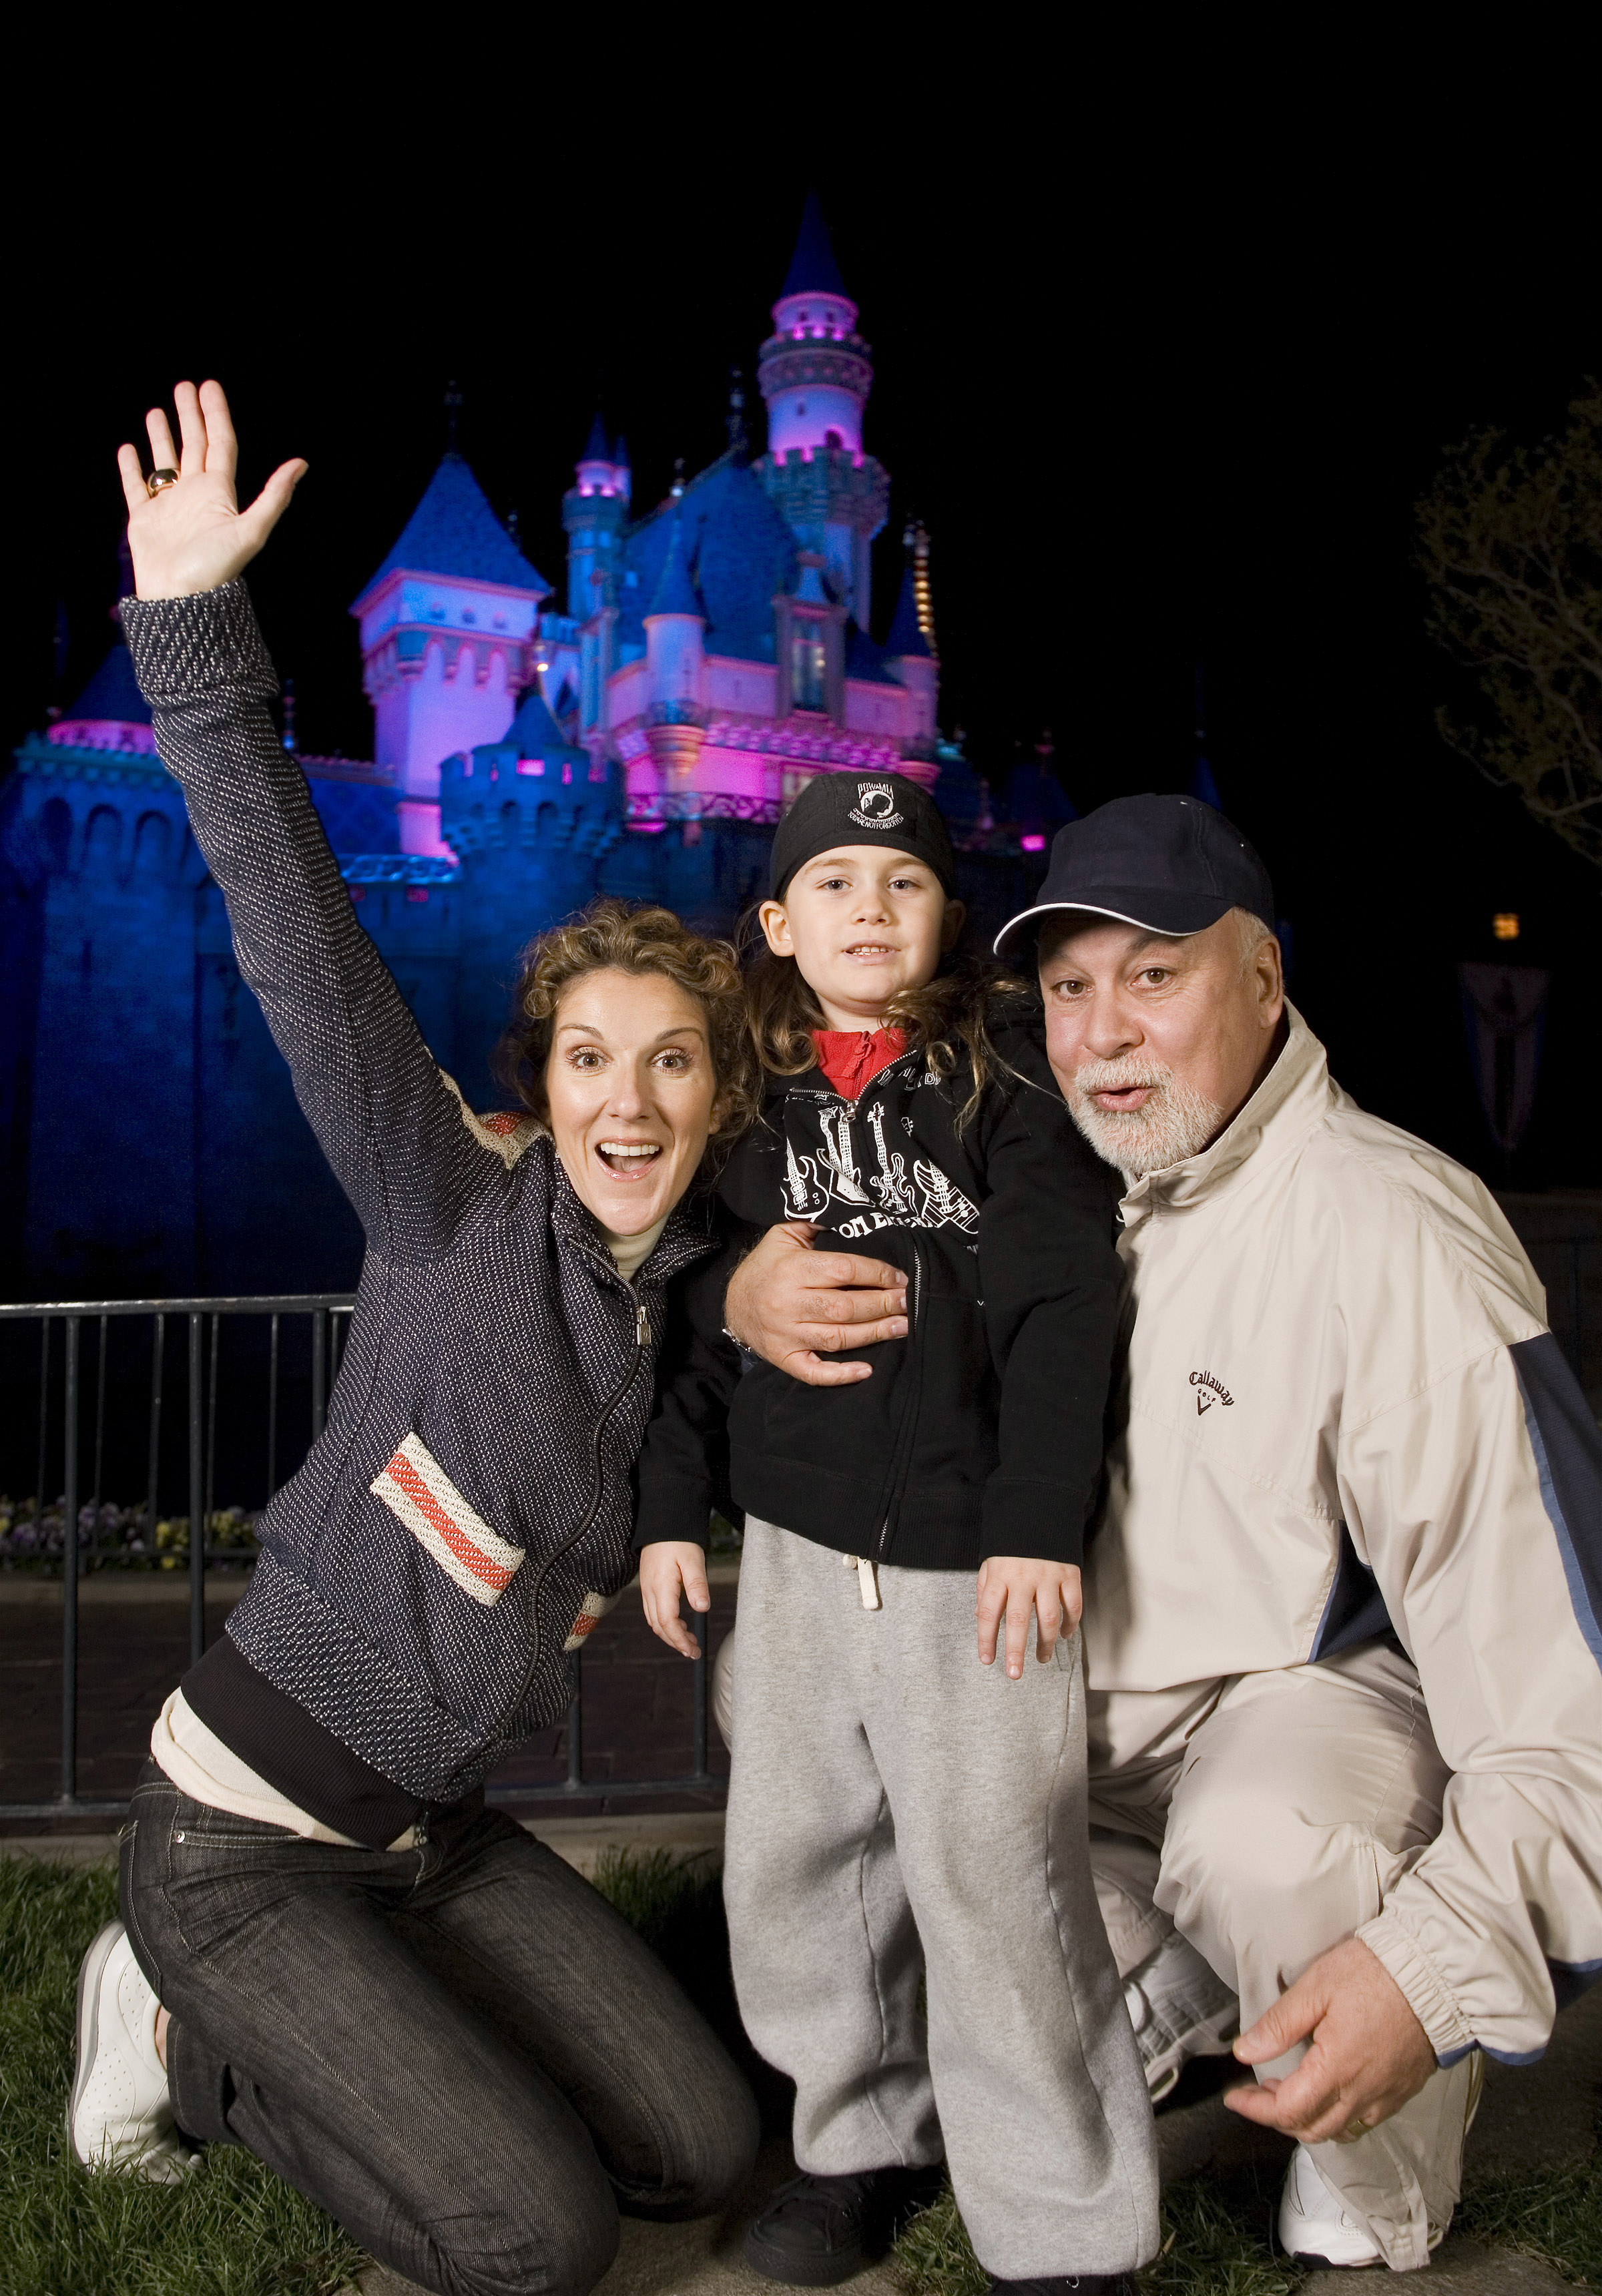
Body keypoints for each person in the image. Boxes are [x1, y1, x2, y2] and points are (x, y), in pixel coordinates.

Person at [66, 382, 760, 2296]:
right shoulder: (456, 1209)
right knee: (530, 2244)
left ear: (720, 1098)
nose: (629, 1102)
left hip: (430, 1830)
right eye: (591, 1060)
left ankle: (395, 2017)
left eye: (675, 1062)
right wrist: (196, 639)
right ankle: (186, 2040)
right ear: (535, 1082)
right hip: (242, 1829)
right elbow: (299, 937)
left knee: (697, 2151)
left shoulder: (692, 1292)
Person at [726, 792, 1602, 2274]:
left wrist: (1428, 1968)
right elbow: (698, 1211)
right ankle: (1181, 1981)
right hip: (1065, 1762)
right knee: (824, 1767)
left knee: (1270, 1845)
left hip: (1285, 1721)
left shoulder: (1394, 1235)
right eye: (1069, 987)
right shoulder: (1008, 1168)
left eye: (1156, 975)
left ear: (1265, 981)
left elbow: (1566, 1702)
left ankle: (1369, 2192)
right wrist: (736, 1301)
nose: (1104, 1033)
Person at [633, 773, 1160, 2296]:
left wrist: (1035, 1525)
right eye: (838, 883)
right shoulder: (744, 1102)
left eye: (905, 882)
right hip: (797, 1555)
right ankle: (855, 2145)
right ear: (779, 924)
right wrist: (674, 1516)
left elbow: (1069, 1307)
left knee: (997, 1878)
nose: (871, 908)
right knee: (800, 1862)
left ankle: (1065, 2219)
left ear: (950, 921)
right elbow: (690, 1317)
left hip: (969, 1562)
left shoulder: (1005, 1077)